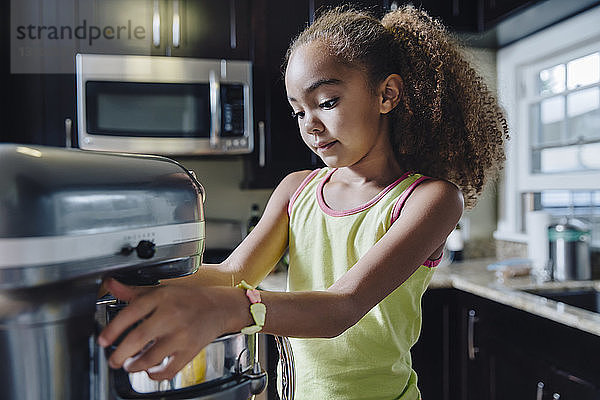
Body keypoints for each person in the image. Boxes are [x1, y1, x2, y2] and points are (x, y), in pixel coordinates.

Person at [98, 5, 508, 399]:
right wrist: (128, 276)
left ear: (387, 94)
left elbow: (342, 308)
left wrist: (229, 310)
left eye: (326, 102)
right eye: (298, 111)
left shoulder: (429, 199)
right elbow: (232, 275)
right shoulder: (297, 189)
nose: (310, 125)